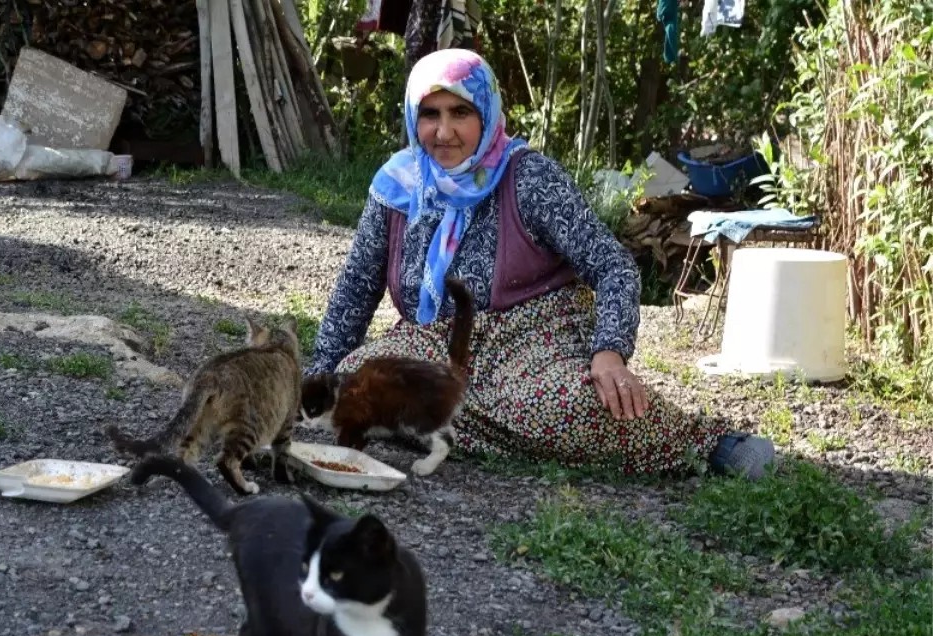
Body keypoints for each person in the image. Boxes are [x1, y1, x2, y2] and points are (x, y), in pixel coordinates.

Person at [307, 48, 775, 479]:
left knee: (570, 408)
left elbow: (613, 266)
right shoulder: (397, 184)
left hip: (531, 339)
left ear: (486, 113)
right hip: (433, 345)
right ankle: (472, 424)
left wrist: (609, 351)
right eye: (430, 114)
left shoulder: (528, 177)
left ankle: (709, 442)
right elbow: (357, 286)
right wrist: (319, 377)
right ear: (413, 117)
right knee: (354, 385)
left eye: (461, 112)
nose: (443, 131)